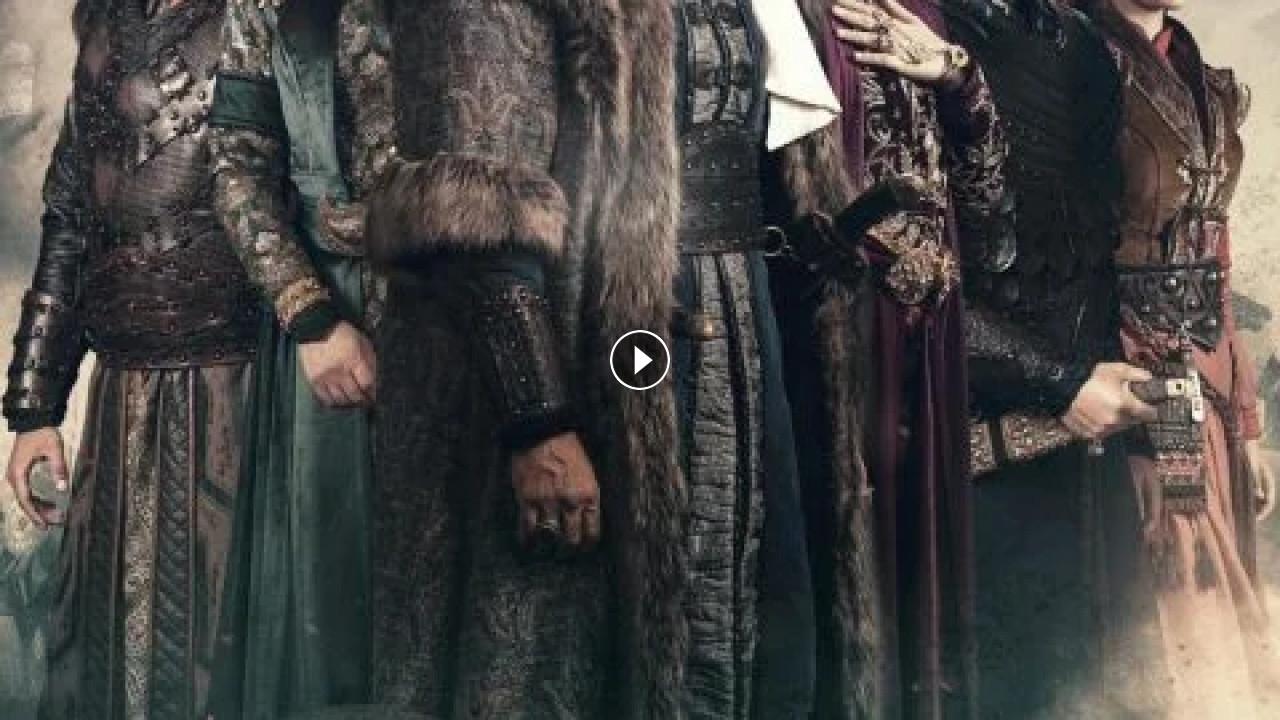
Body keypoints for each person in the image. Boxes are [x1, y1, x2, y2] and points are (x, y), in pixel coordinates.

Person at [233, 0, 875, 716]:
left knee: (755, 636)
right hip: (573, 345)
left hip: (735, 326)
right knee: (564, 650)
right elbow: (475, 197)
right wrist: (537, 418)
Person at [1, 0, 262, 717]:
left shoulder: (264, 17)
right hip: (120, 399)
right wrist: (34, 410)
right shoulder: (107, 28)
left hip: (245, 390)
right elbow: (69, 220)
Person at [773, 1, 1010, 717]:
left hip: (932, 328)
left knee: (925, 560)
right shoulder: (789, 13)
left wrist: (957, 76)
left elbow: (988, 205)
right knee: (844, 557)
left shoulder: (926, 14)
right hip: (834, 325)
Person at [945, 1, 1173, 716]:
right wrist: (1060, 383)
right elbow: (897, 278)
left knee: (1106, 682)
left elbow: (1100, 253)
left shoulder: (1082, 43)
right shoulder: (920, 28)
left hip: (1090, 443)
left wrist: (1138, 440)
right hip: (966, 442)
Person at [1073, 0, 1278, 715]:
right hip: (1128, 370)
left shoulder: (1205, 81)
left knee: (1216, 599)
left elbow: (1218, 257)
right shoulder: (1077, 53)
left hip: (1210, 374)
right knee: (1160, 588)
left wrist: (1245, 422)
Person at [206, 0, 380, 715]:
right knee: (334, 602)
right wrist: (309, 316)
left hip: (466, 306)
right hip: (331, 310)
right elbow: (237, 166)